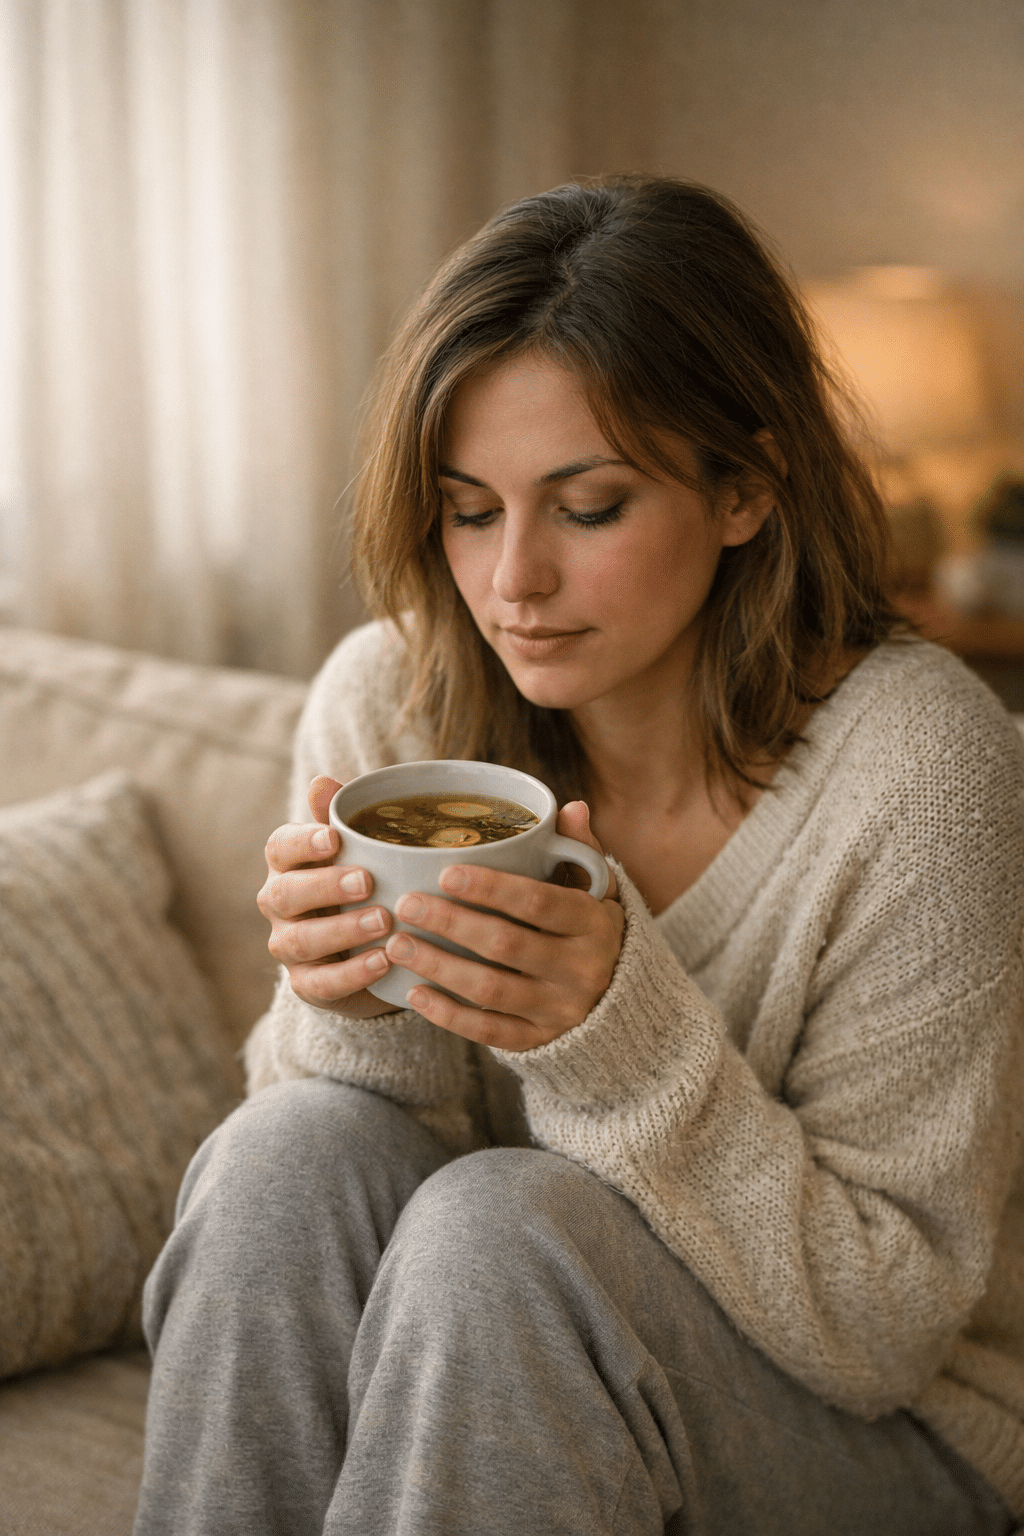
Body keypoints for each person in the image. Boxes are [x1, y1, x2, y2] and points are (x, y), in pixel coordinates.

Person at [133, 176, 1024, 1536]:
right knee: (287, 1154)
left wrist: (614, 1036)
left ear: (747, 486)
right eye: (469, 508)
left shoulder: (930, 774)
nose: (512, 584)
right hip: (522, 1342)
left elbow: (883, 1328)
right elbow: (357, 1181)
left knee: (507, 1229)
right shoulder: (391, 705)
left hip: (898, 1431)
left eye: (588, 506)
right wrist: (351, 1004)